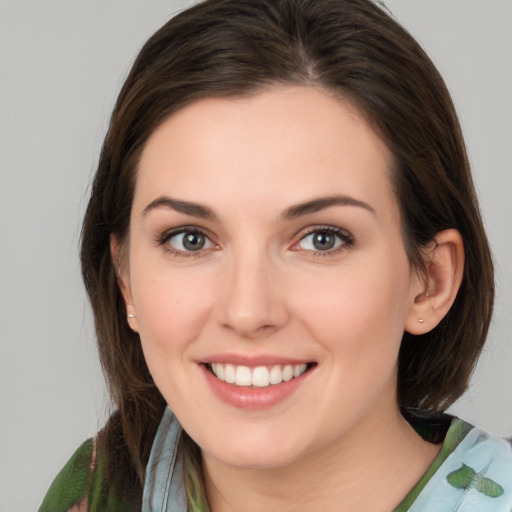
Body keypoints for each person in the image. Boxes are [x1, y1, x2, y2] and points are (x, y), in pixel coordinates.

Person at [39, 0, 511, 510]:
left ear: (431, 282)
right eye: (190, 239)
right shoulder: (97, 490)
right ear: (125, 279)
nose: (247, 311)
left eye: (321, 239)